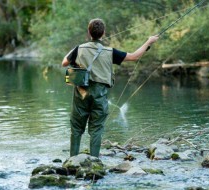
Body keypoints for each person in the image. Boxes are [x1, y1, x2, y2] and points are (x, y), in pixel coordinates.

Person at [62, 18, 159, 157]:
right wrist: (149, 42)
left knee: (76, 128)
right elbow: (134, 57)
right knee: (96, 129)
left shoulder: (79, 49)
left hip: (81, 92)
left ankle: (72, 161)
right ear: (104, 33)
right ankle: (94, 160)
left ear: (89, 32)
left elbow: (64, 62)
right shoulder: (109, 51)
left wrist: (75, 49)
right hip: (99, 93)